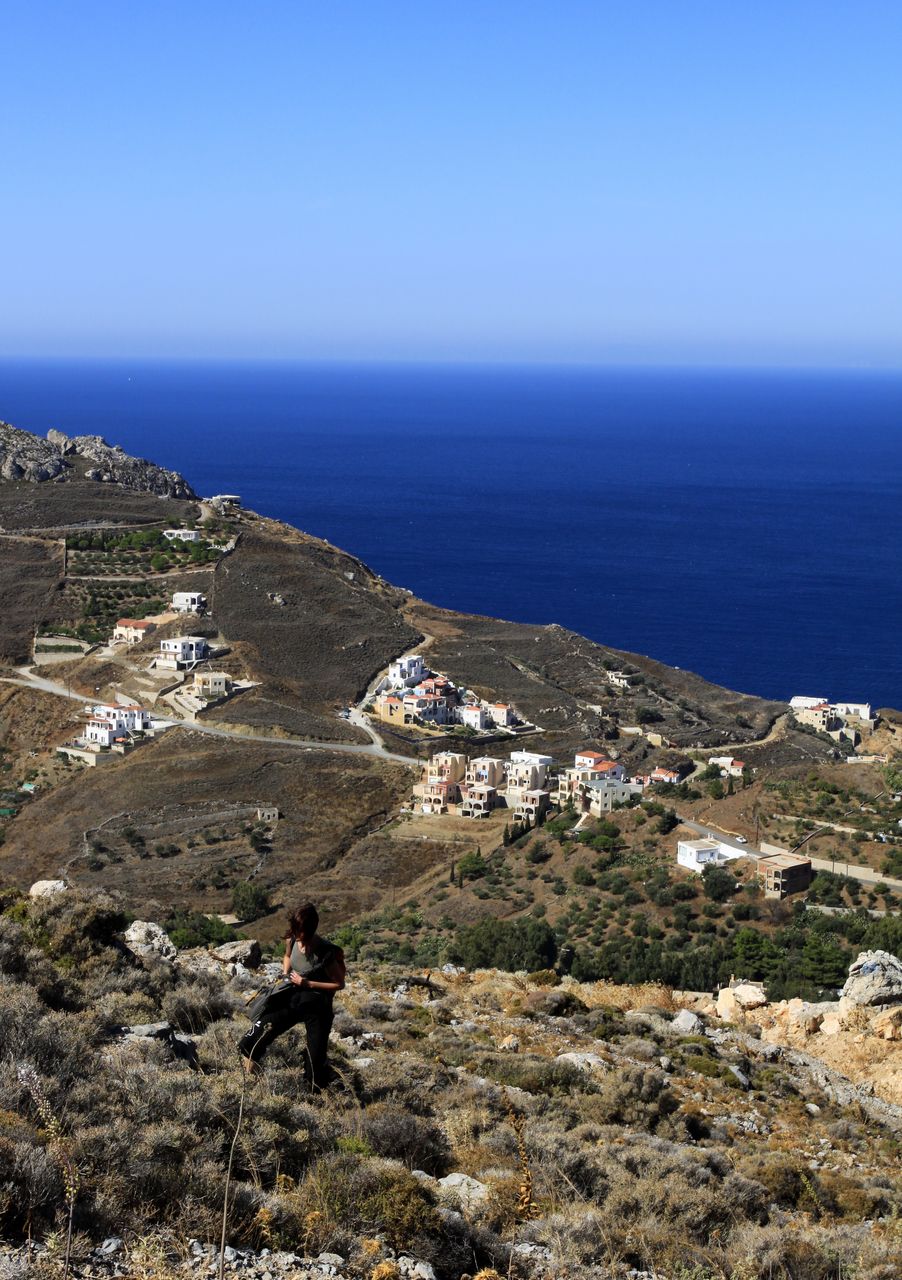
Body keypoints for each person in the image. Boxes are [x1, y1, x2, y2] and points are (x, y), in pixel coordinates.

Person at [238, 901, 345, 1085]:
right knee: (252, 1040)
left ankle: (322, 1093)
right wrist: (286, 973)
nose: (298, 935)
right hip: (292, 997)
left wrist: (308, 983)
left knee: (315, 1069)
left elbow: (339, 984)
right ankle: (250, 1084)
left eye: (301, 932)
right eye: (295, 930)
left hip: (317, 1006)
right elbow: (287, 956)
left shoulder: (325, 952)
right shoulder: (293, 939)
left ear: (311, 929)